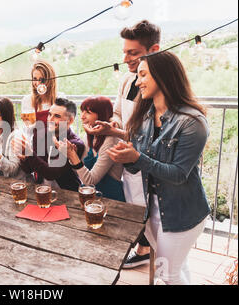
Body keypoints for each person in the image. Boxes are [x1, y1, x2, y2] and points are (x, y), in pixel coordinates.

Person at [107, 51, 210, 285]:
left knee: (167, 274)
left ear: (163, 77)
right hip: (153, 209)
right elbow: (143, 150)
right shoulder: (145, 116)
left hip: (180, 214)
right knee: (177, 267)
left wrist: (137, 157)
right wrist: (127, 153)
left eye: (143, 74)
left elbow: (178, 174)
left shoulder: (192, 122)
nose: (137, 81)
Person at [86, 20, 161, 268]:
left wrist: (117, 132)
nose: (127, 58)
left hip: (150, 163)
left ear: (153, 50)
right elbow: (118, 113)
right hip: (128, 159)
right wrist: (111, 127)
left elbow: (149, 132)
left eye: (133, 53)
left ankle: (152, 253)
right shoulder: (127, 81)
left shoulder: (159, 86)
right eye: (125, 52)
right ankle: (143, 249)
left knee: (155, 216)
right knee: (135, 208)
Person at [56, 96, 125, 202]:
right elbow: (80, 171)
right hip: (90, 198)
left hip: (110, 200)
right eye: (82, 111)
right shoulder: (90, 136)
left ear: (101, 114)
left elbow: (90, 181)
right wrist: (72, 155)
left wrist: (73, 157)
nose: (82, 116)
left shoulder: (111, 140)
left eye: (88, 112)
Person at [16, 98, 85, 192]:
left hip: (67, 194)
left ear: (70, 120)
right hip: (41, 191)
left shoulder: (75, 144)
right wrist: (24, 158)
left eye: (56, 116)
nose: (50, 119)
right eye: (49, 114)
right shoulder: (40, 134)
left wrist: (30, 154)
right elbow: (29, 170)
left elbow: (51, 173)